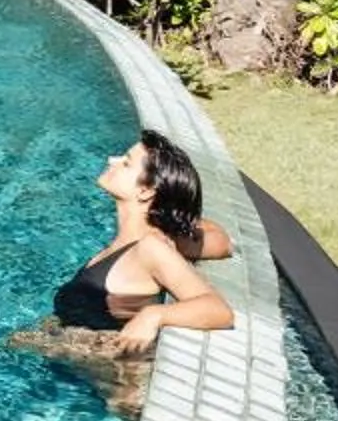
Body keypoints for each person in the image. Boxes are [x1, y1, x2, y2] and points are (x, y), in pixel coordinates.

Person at [34, 130, 236, 359]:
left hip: (114, 381)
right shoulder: (139, 241)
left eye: (127, 163)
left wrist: (153, 316)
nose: (113, 160)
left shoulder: (150, 248)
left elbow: (219, 310)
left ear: (145, 191)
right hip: (71, 358)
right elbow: (219, 239)